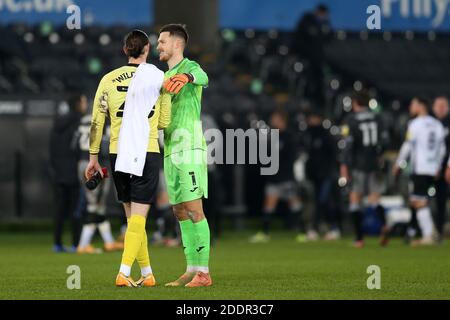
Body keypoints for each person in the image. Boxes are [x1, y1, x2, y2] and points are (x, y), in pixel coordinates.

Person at [85, 29, 171, 287]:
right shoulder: (159, 78)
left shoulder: (109, 79)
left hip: (117, 152)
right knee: (139, 218)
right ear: (147, 50)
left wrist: (92, 158)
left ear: (125, 50)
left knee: (132, 218)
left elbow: (96, 122)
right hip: (146, 150)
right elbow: (164, 122)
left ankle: (147, 273)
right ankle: (123, 272)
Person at [157, 24, 212, 287]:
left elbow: (203, 76)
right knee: (179, 210)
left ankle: (204, 272)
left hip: (188, 146)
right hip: (170, 149)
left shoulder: (190, 67)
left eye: (162, 41)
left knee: (193, 208)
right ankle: (191, 268)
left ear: (177, 44)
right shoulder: (163, 77)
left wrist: (188, 78)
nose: (158, 46)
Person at [393, 97, 446, 246]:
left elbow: (408, 146)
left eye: (413, 104)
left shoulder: (415, 124)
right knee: (420, 200)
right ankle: (429, 232)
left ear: (421, 106)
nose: (411, 106)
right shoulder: (437, 124)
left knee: (418, 200)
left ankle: (429, 234)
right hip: (432, 168)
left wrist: (398, 163)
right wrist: (438, 166)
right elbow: (441, 149)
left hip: (420, 167)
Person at [340, 91, 390, 247]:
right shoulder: (378, 118)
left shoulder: (351, 120)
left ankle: (359, 239)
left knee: (355, 200)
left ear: (355, 103)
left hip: (358, 165)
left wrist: (344, 167)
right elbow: (386, 141)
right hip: (375, 164)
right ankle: (384, 225)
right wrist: (380, 156)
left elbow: (347, 145)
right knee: (375, 199)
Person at [249, 109, 305, 243]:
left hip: (286, 177)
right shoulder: (272, 136)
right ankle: (265, 233)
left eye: (275, 118)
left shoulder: (289, 137)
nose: (272, 121)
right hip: (274, 177)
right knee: (269, 205)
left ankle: (303, 232)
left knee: (295, 205)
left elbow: (292, 157)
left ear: (281, 120)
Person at [74, 114, 123, 254]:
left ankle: (108, 242)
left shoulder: (83, 119)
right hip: (97, 163)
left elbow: (74, 144)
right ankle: (83, 244)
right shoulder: (105, 120)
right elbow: (107, 145)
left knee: (98, 205)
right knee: (95, 205)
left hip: (82, 163)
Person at [49, 93, 86, 253]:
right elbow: (78, 147)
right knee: (76, 210)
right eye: (84, 101)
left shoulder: (57, 122)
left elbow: (51, 149)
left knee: (59, 210)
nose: (86, 104)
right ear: (77, 104)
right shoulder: (80, 122)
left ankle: (57, 243)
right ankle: (76, 244)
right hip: (74, 172)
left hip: (58, 173)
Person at [304, 111, 341, 240]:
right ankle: (321, 228)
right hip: (315, 175)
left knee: (324, 200)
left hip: (326, 174)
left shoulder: (325, 136)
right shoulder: (309, 135)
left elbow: (333, 155)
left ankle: (332, 227)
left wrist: (331, 171)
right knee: (319, 201)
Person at [293, 4, 331, 108]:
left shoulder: (325, 24)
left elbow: (328, 38)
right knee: (306, 78)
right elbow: (301, 37)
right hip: (305, 57)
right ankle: (304, 99)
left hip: (318, 59)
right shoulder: (307, 20)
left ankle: (318, 102)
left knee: (319, 80)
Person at [432, 96, 450, 242]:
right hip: (432, 169)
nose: (441, 108)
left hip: (446, 167)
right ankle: (433, 231)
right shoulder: (430, 124)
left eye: (443, 105)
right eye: (438, 105)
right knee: (422, 199)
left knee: (442, 201)